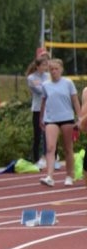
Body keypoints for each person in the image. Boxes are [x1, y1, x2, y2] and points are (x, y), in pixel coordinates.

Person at [39, 58, 82, 187]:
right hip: (51, 119)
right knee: (50, 147)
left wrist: (79, 117)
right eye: (51, 69)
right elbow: (43, 102)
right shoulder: (46, 85)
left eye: (56, 69)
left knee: (68, 148)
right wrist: (41, 118)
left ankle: (69, 175)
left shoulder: (68, 83)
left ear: (61, 69)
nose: (53, 71)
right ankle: (49, 176)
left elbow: (75, 100)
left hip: (66, 118)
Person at [26, 53, 50, 167]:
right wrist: (44, 86)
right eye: (44, 65)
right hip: (37, 109)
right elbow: (40, 91)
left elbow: (50, 89)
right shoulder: (31, 78)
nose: (46, 67)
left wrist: (42, 85)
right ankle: (36, 158)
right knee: (38, 134)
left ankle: (50, 156)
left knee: (49, 133)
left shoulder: (48, 76)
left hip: (48, 108)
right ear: (38, 66)